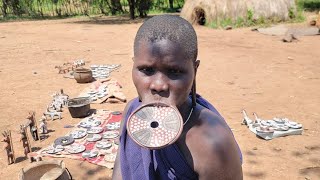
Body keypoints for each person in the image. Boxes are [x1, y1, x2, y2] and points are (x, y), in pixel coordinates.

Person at [112, 15, 243, 180]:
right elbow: (120, 171)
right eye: (146, 70)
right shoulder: (132, 113)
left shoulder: (214, 142)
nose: (158, 85)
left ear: (195, 70)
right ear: (134, 65)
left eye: (174, 71)